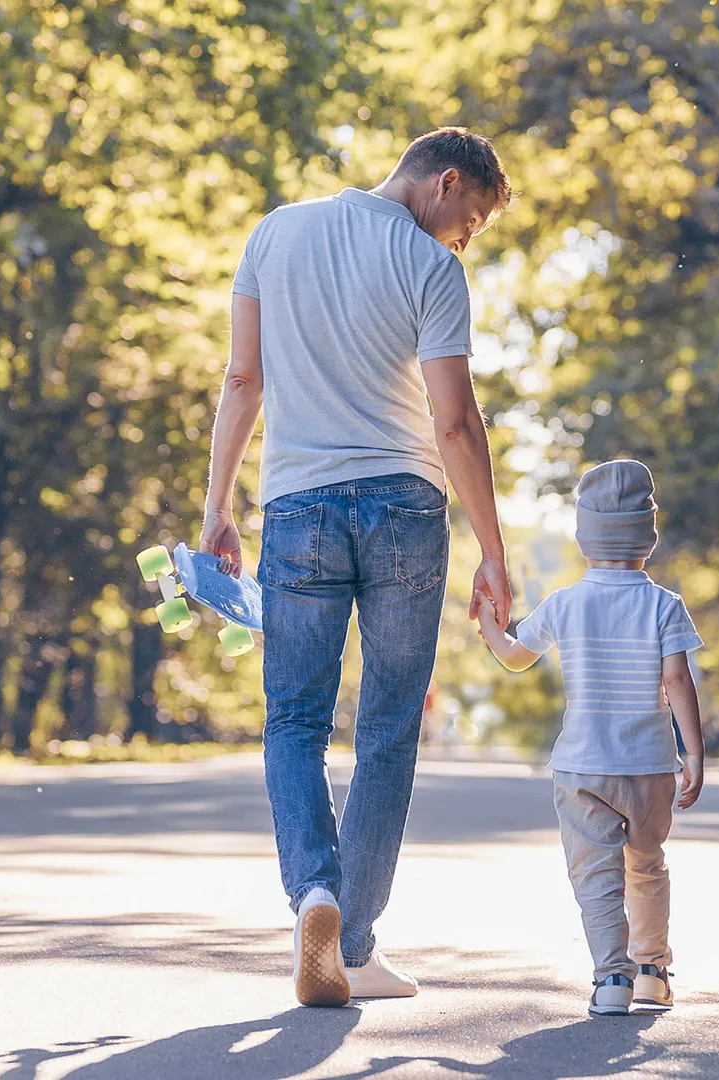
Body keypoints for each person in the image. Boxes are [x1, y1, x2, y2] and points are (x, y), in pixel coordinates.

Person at [198, 128, 514, 1008]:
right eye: (472, 219)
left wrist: (217, 508)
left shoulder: (276, 231)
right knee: (386, 730)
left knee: (293, 720)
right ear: (445, 181)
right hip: (405, 510)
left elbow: (242, 382)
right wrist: (493, 552)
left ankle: (318, 897)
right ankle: (357, 943)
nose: (464, 239)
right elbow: (454, 424)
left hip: (297, 506)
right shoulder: (429, 268)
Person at [473, 458, 706, 1017]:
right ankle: (652, 971)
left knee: (596, 876)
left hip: (583, 769)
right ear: (647, 538)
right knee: (647, 863)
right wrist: (693, 753)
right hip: (650, 767)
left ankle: (611, 981)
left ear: (584, 537)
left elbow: (512, 656)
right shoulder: (663, 605)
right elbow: (677, 679)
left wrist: (486, 620)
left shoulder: (565, 604)